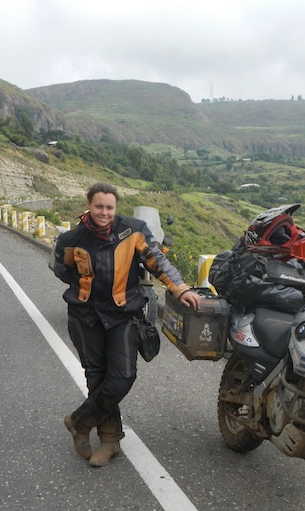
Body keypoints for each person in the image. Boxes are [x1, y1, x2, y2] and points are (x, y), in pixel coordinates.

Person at [50, 182, 201, 467]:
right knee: (96, 377)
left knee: (122, 377)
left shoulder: (133, 231)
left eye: (109, 207)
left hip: (122, 315)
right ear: (89, 206)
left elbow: (157, 261)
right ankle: (110, 441)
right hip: (85, 316)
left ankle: (79, 421)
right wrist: (86, 286)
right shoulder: (73, 238)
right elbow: (62, 269)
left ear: (115, 208)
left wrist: (179, 287)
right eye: (99, 207)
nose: (104, 212)